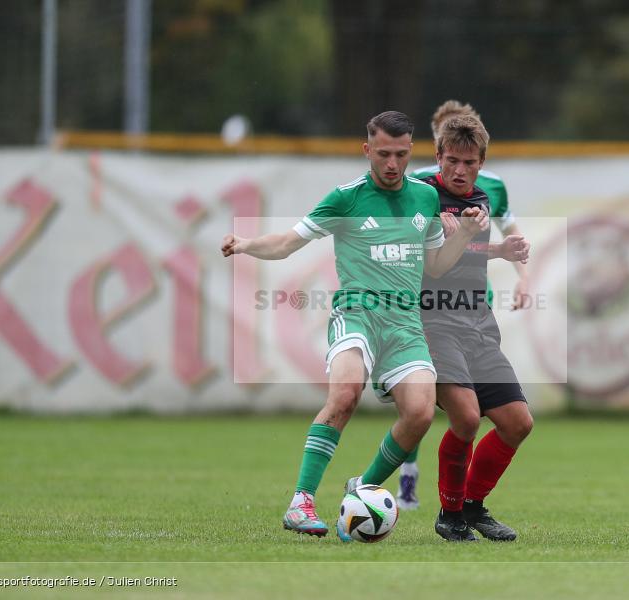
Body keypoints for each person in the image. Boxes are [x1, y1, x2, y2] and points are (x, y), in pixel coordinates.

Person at [221, 111, 490, 537]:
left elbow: (436, 266)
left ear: (411, 153)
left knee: (420, 414)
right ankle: (301, 502)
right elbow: (288, 242)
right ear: (367, 150)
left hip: (405, 324)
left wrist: (462, 235)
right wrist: (247, 243)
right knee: (345, 395)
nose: (392, 164)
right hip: (358, 313)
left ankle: (362, 488)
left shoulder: (425, 198)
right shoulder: (346, 198)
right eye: (383, 154)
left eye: (401, 155)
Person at [398, 100, 531, 511]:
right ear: (437, 156)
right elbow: (430, 265)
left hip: (477, 325)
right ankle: (448, 511)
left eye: (468, 162)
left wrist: (499, 249)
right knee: (467, 419)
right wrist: (455, 235)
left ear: (481, 163)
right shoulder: (420, 196)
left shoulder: (481, 201)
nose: (459, 170)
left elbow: (466, 251)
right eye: (451, 160)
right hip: (433, 327)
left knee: (517, 422)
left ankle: (472, 506)